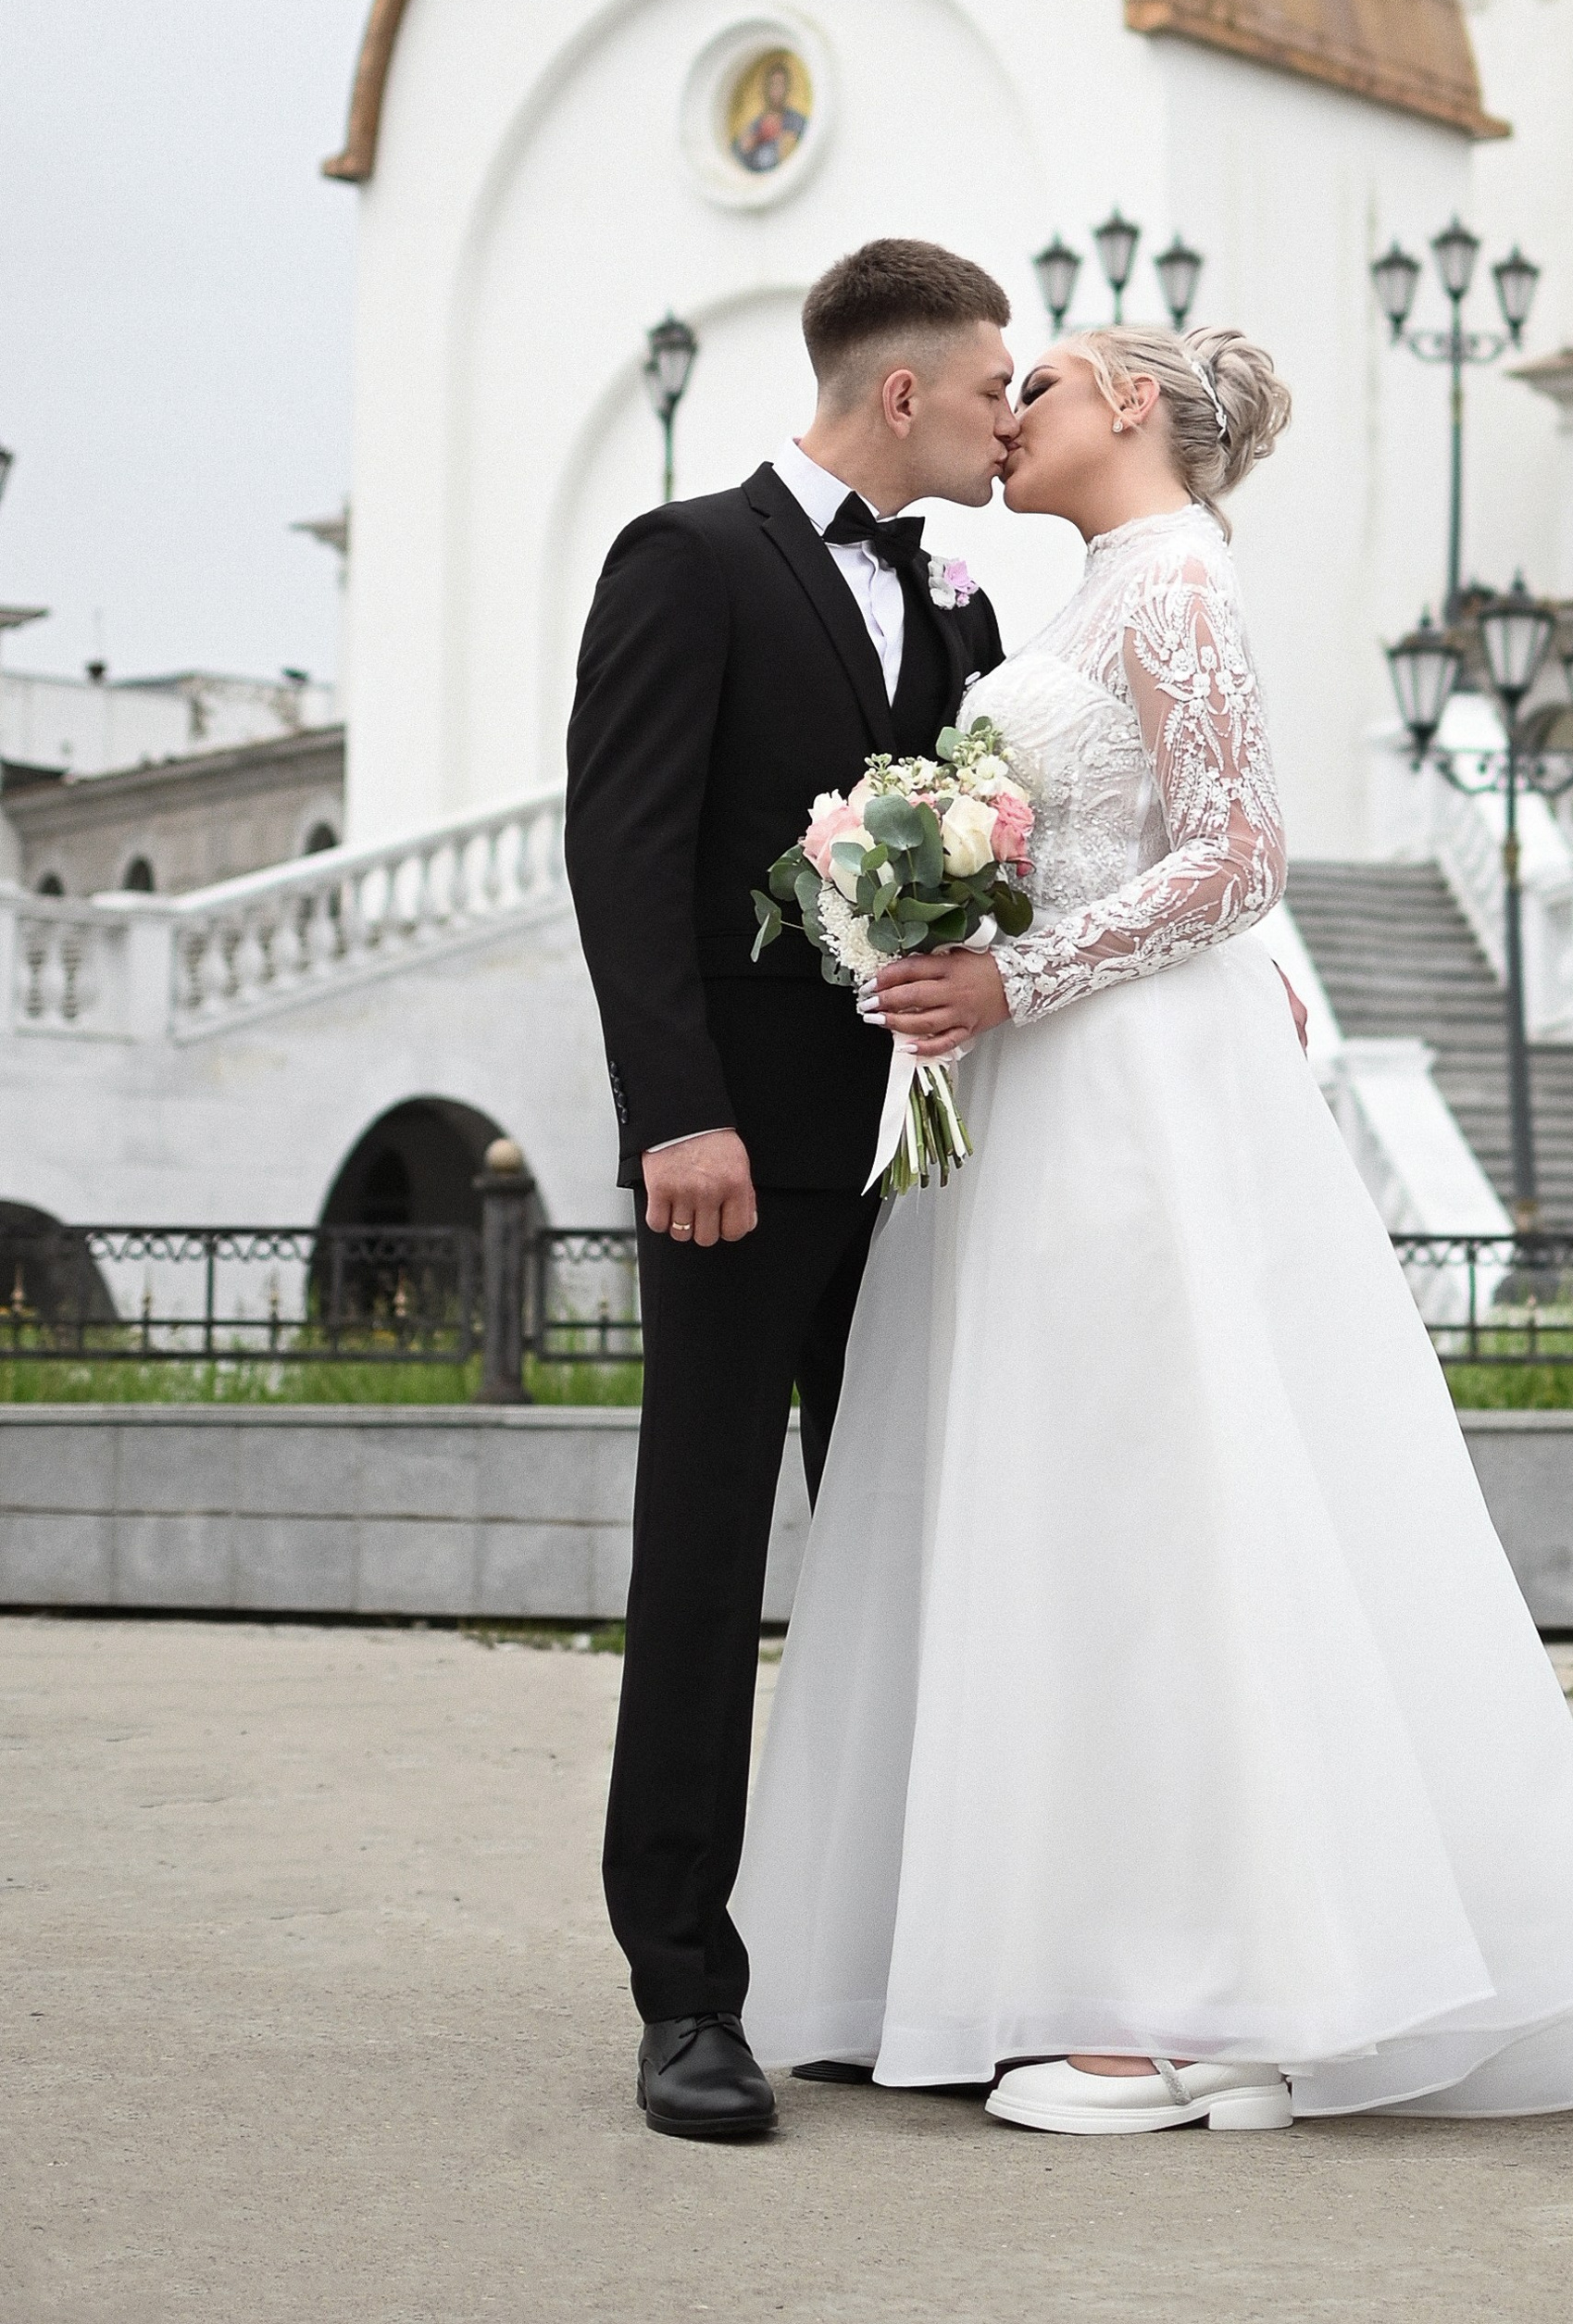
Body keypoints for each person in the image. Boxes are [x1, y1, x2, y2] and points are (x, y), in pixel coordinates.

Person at [732, 322, 1573, 2131]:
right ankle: (1122, 1963)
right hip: (1053, 1094)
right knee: (1074, 1510)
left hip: (1125, 1094)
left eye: (1047, 381)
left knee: (1159, 1499)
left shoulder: (1174, 576)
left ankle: (1202, 1998)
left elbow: (1240, 850)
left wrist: (1011, 974)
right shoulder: (1091, 593)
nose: (1009, 410)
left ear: (1128, 408)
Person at [564, 238, 1014, 2139]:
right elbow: (628, 852)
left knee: (914, 1554)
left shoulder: (963, 601)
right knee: (703, 1561)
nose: (1013, 413)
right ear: (896, 391)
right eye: (994, 384)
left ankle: (892, 1956)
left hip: (925, 1163)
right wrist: (678, 1114)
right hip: (737, 1168)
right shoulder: (688, 562)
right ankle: (684, 1989)